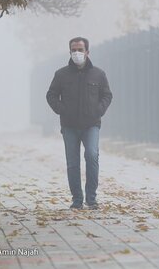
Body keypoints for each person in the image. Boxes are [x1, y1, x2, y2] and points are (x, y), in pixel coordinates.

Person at [46, 37, 112, 210]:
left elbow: (107, 95)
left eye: (80, 50)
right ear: (69, 52)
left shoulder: (98, 74)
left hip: (91, 125)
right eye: (73, 50)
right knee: (72, 163)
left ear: (87, 52)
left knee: (91, 156)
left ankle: (91, 198)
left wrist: (99, 110)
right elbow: (51, 95)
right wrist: (62, 109)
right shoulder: (61, 74)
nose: (77, 53)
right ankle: (77, 200)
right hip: (69, 126)